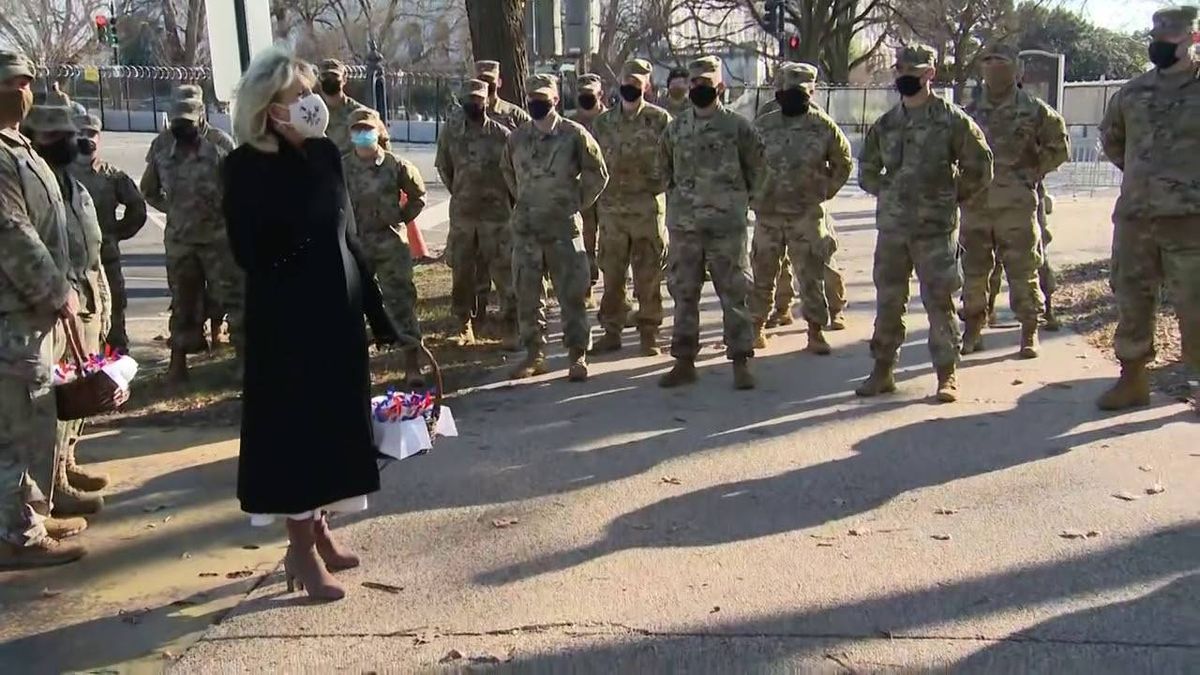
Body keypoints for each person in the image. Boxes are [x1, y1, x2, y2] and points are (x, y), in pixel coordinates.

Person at [224, 48, 401, 601]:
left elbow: (346, 237)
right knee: (295, 434)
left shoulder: (327, 154)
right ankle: (298, 547)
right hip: (287, 323)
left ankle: (320, 525)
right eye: (294, 97)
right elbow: (251, 251)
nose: (308, 104)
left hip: (337, 312)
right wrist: (299, 210)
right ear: (268, 110)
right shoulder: (244, 166)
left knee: (333, 427)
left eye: (309, 93)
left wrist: (378, 313)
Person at [855, 44, 993, 403]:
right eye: (900, 71)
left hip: (935, 230)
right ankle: (882, 370)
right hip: (893, 231)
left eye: (912, 73)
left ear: (930, 74)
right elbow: (866, 168)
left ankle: (946, 375)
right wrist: (886, 188)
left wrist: (952, 196)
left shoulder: (951, 120)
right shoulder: (886, 124)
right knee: (888, 301)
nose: (904, 78)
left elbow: (980, 165)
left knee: (939, 302)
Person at [0, 51, 86, 568]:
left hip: (32, 315)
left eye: (27, 81)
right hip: (12, 316)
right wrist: (57, 292)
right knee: (13, 424)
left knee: (33, 417)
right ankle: (16, 534)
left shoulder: (20, 147)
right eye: (13, 82)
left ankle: (28, 511)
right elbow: (13, 234)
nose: (24, 90)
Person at [1097, 6, 1200, 411]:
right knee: (1132, 298)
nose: (1159, 45)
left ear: (1192, 40)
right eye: (1155, 39)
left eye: (1169, 40)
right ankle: (1132, 379)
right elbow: (1113, 140)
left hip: (1190, 221)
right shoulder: (1132, 92)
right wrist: (1146, 177)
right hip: (1136, 217)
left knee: (1195, 305)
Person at [25, 106, 112, 518]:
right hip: (53, 308)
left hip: (84, 300)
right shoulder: (30, 187)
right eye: (55, 135)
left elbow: (90, 251)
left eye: (69, 133)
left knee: (77, 394)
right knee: (54, 399)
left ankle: (67, 464)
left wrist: (103, 300)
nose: (68, 142)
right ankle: (52, 487)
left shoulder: (73, 187)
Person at [659, 56, 764, 391]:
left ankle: (741, 361)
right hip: (685, 227)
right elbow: (662, 170)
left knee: (734, 293)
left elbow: (759, 169)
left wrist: (744, 203)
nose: (699, 89)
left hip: (726, 227)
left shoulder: (738, 127)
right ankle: (684, 361)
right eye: (695, 83)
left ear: (720, 86)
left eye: (706, 84)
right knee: (684, 292)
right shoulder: (675, 128)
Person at [960, 43, 1069, 360]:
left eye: (1001, 61)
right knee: (975, 271)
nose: (994, 67)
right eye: (988, 61)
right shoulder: (969, 114)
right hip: (977, 207)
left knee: (1023, 270)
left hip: (1017, 205)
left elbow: (1059, 147)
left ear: (1016, 70)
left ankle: (1029, 331)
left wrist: (1032, 173)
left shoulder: (1034, 110)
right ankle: (974, 328)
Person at [501, 73, 608, 382]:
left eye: (542, 99)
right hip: (527, 230)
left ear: (556, 100)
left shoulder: (574, 135)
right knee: (527, 294)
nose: (536, 103)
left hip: (563, 229)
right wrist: (524, 200)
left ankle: (577, 355)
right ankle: (534, 354)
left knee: (571, 293)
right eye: (532, 98)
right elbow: (507, 172)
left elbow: (598, 173)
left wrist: (576, 202)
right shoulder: (517, 138)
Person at [750, 62, 852, 356]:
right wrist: (753, 197)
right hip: (769, 214)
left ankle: (815, 331)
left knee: (811, 275)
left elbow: (843, 162)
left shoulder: (822, 126)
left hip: (806, 214)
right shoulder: (763, 125)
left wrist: (824, 191)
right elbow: (743, 162)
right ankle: (756, 326)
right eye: (788, 90)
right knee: (763, 273)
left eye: (801, 92)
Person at [141, 97, 243, 383]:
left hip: (218, 239)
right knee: (182, 301)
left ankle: (243, 362)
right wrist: (173, 209)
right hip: (181, 241)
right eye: (177, 123)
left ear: (200, 119)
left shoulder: (220, 146)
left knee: (234, 299)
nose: (182, 128)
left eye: (187, 122)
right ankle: (178, 365)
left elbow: (238, 187)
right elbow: (148, 189)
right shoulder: (162, 148)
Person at [590, 59, 672, 357]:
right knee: (611, 276)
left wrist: (657, 186)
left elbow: (673, 162)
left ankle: (649, 333)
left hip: (647, 212)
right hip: (612, 213)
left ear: (646, 87)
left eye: (637, 85)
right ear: (618, 83)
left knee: (647, 275)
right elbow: (592, 165)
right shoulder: (603, 123)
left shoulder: (660, 121)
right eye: (627, 82)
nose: (630, 89)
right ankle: (611, 331)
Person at [343, 107, 427, 387]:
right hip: (355, 246)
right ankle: (358, 368)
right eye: (357, 130)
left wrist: (400, 218)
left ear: (379, 131)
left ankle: (412, 363)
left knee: (400, 301)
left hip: (390, 243)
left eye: (368, 129)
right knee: (352, 306)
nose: (363, 134)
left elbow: (418, 195)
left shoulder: (396, 165)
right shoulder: (341, 167)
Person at [435, 79, 516, 348]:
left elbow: (513, 173)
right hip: (464, 215)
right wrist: (460, 191)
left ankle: (512, 324)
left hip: (496, 216)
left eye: (479, 99)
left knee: (504, 270)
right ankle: (463, 324)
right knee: (462, 271)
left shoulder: (502, 135)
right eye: (469, 99)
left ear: (486, 101)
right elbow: (444, 167)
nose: (474, 104)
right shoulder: (451, 132)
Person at [69, 113, 147, 352]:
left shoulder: (112, 175)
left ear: (99, 138)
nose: (86, 138)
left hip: (106, 259)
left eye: (91, 134)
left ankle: (116, 371)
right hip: (70, 263)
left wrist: (116, 234)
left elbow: (138, 208)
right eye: (80, 133)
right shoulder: (60, 173)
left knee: (113, 313)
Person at [468, 60, 532, 327]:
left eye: (491, 79)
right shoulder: (466, 112)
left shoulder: (513, 115)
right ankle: (476, 316)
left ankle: (510, 315)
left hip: (505, 199)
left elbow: (530, 147)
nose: (487, 83)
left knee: (504, 259)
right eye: (482, 77)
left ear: (499, 82)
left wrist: (518, 190)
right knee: (474, 263)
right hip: (472, 201)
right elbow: (448, 165)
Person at [568, 73, 607, 307]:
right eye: (582, 95)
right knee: (585, 241)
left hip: (611, 191)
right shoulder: (570, 124)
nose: (585, 99)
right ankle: (587, 287)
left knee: (612, 243)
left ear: (600, 95)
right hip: (583, 193)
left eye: (590, 95)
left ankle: (617, 291)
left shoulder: (610, 120)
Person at [315, 59, 369, 154]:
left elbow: (369, 151)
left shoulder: (359, 113)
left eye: (334, 76)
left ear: (344, 79)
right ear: (319, 80)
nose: (330, 79)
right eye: (325, 76)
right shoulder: (314, 113)